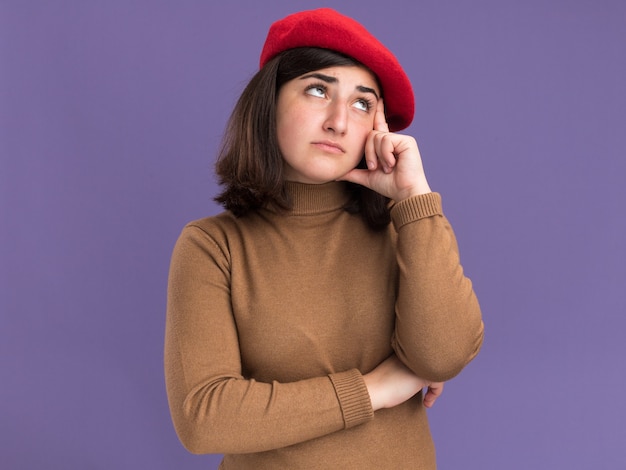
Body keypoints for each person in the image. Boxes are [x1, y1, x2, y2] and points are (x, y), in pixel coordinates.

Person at [164, 8, 484, 469]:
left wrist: (414, 196)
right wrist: (378, 389)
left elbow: (443, 356)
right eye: (318, 90)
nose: (339, 121)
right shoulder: (214, 246)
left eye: (362, 103)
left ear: (379, 129)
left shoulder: (408, 230)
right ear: (269, 102)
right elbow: (203, 418)